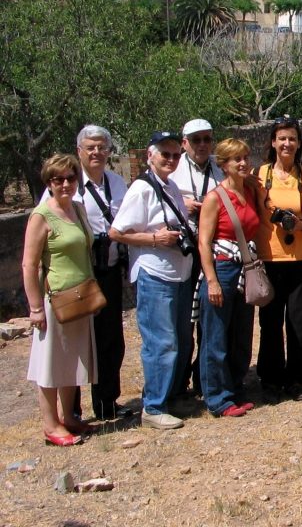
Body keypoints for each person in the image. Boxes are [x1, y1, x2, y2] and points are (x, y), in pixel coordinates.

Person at [109, 132, 194, 430]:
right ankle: (153, 406)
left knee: (181, 339)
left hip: (179, 272)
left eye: (174, 155)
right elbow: (116, 232)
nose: (170, 160)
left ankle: (169, 396)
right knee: (161, 342)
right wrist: (156, 239)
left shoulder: (170, 186)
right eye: (165, 155)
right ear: (150, 156)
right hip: (154, 273)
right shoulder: (141, 189)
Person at [23, 154, 98, 446]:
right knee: (50, 362)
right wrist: (35, 308)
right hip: (56, 299)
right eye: (58, 179)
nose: (65, 184)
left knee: (73, 360)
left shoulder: (78, 210)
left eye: (70, 177)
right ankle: (50, 424)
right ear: (49, 183)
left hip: (82, 296)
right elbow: (30, 265)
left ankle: (69, 416)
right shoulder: (41, 216)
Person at [254, 117, 302, 402]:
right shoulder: (259, 176)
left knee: (299, 321)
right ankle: (270, 378)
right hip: (270, 258)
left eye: (292, 139)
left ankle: (296, 379)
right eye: (282, 138)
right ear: (273, 142)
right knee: (270, 322)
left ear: (299, 143)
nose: (287, 143)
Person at [195, 138, 258, 418]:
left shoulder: (250, 192)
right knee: (216, 336)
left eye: (245, 157)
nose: (243, 163)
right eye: (236, 159)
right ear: (223, 165)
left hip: (245, 268)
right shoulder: (214, 198)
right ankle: (218, 397)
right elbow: (204, 242)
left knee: (241, 334)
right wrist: (211, 281)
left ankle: (235, 386)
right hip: (222, 268)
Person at [73, 125, 129, 421]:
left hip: (108, 272)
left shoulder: (117, 184)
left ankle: (107, 403)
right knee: (78, 340)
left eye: (101, 147)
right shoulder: (67, 183)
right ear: (79, 151)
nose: (96, 152)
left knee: (111, 340)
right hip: (79, 275)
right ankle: (71, 410)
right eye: (90, 147)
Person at [168, 118, 223, 398]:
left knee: (208, 322)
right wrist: (184, 204)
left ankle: (205, 379)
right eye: (196, 139)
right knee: (181, 324)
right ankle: (177, 384)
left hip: (212, 252)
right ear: (184, 143)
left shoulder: (219, 169)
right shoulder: (171, 170)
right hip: (181, 253)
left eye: (207, 139)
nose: (202, 144)